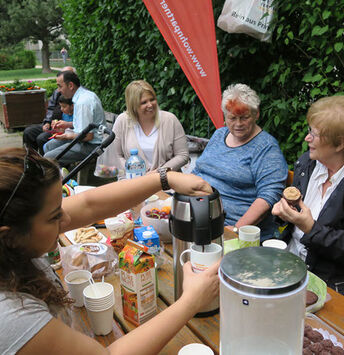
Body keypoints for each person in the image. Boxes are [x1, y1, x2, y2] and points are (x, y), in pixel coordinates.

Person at [0, 147, 219, 354]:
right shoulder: (12, 318)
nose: (66, 219)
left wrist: (164, 178)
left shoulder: (13, 239)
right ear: (9, 237)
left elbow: (88, 205)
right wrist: (192, 300)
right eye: (55, 215)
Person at [272, 96, 344, 297]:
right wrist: (282, 214)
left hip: (326, 284)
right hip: (287, 266)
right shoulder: (307, 165)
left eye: (314, 134)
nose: (307, 138)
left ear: (339, 144)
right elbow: (290, 218)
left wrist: (311, 228)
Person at [193, 83, 288, 241]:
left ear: (256, 114)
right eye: (232, 118)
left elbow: (269, 196)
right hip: (200, 217)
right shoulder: (219, 135)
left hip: (233, 229)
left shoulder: (266, 148)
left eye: (244, 117)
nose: (238, 124)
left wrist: (237, 228)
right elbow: (198, 171)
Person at [112, 80, 189, 175]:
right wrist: (135, 171)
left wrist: (158, 173)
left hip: (166, 183)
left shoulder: (170, 120)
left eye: (152, 99)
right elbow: (115, 155)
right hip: (132, 182)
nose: (150, 105)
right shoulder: (122, 121)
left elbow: (183, 155)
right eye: (144, 102)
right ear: (133, 105)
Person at [43, 71, 106, 167]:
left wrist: (65, 135)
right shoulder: (82, 96)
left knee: (48, 157)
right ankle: (61, 174)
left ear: (71, 85)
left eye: (60, 86)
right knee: (49, 146)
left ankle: (60, 178)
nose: (58, 90)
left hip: (91, 145)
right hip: (84, 140)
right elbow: (86, 125)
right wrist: (68, 124)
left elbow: (88, 136)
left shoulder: (83, 102)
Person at [22, 66, 76, 155]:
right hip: (53, 124)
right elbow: (51, 108)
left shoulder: (77, 94)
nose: (59, 88)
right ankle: (31, 160)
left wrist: (64, 126)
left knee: (42, 138)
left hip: (65, 129)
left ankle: (45, 164)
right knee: (29, 132)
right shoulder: (58, 92)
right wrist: (47, 122)